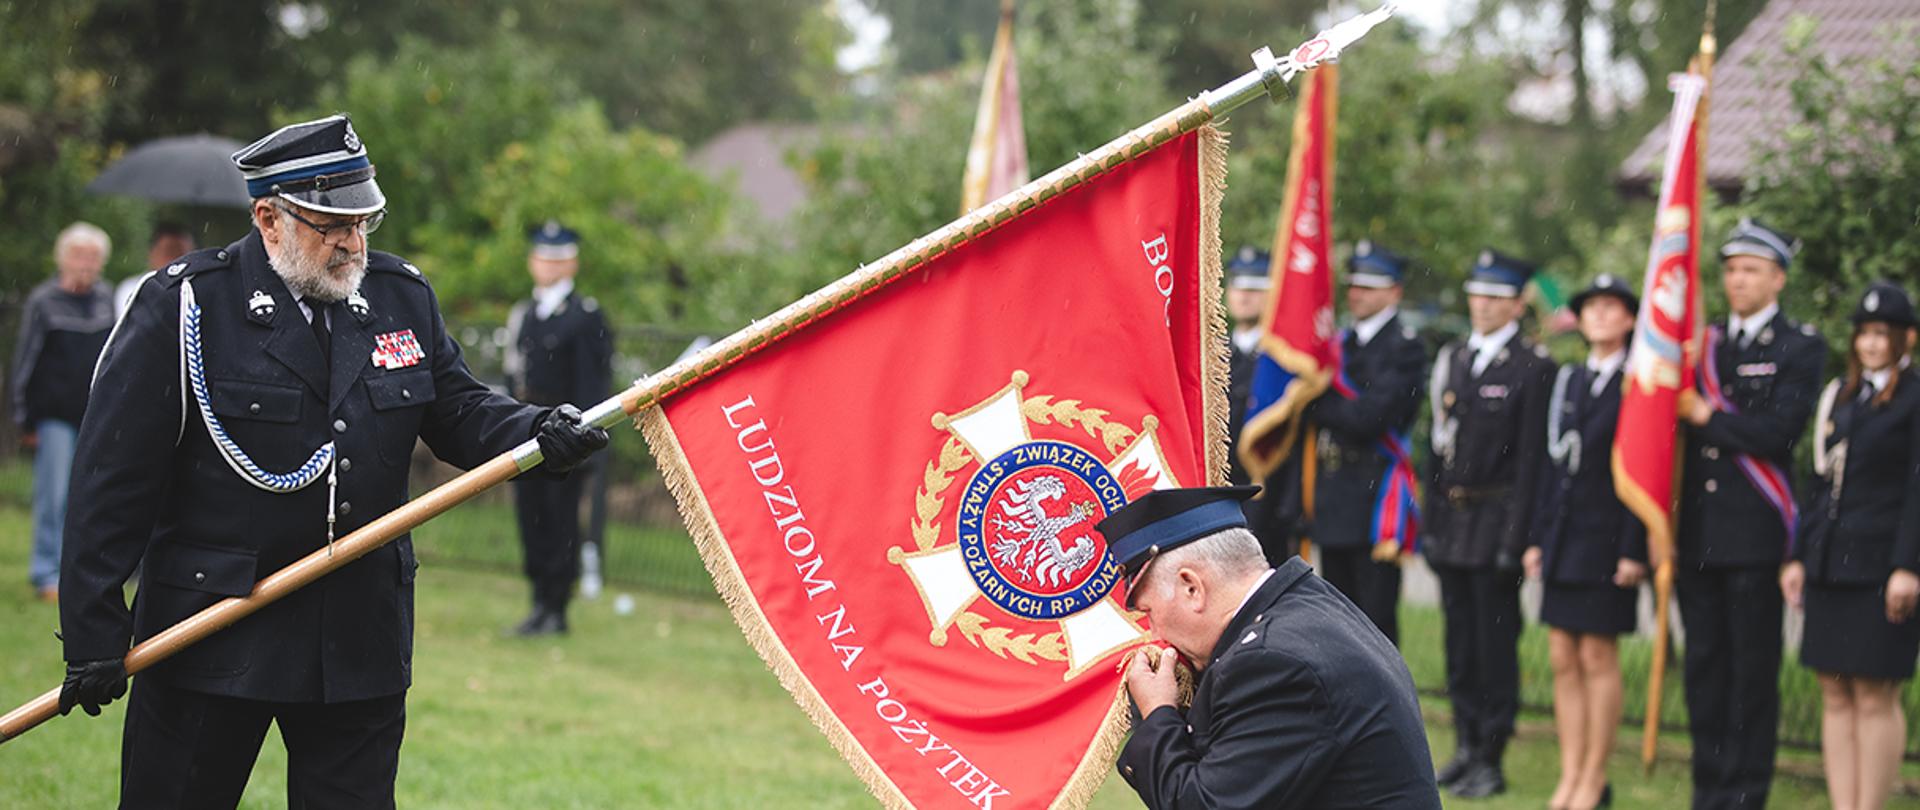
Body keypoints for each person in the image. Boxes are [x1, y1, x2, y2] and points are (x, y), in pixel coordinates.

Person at [54, 114, 609, 808]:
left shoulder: (399, 296)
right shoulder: (189, 305)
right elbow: (114, 476)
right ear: (268, 216)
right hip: (215, 625)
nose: (352, 242)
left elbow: (459, 409)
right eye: (331, 224)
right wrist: (94, 628)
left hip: (357, 632)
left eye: (363, 222)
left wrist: (538, 430)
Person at [1108, 485, 1440, 809]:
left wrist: (1157, 715)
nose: (1154, 632)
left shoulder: (1272, 663)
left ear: (1192, 587)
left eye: (1149, 611)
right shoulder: (1307, 604)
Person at [1676, 218, 1823, 810]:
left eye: (1752, 270)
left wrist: (1708, 417)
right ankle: (1707, 785)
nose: (1738, 280)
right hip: (1699, 536)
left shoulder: (1799, 346)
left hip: (1755, 535)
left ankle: (1744, 791)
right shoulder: (1704, 345)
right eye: (1732, 269)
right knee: (1705, 669)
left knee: (1751, 673)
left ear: (1778, 278)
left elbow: (1777, 434)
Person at [1422, 249, 1556, 799]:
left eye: (1496, 297)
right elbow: (1434, 452)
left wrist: (1516, 538)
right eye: (1478, 294)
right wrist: (1429, 524)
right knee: (1459, 647)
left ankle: (1492, 754)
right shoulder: (1453, 358)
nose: (1483, 305)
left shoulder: (1533, 367)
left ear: (1518, 304)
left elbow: (1531, 463)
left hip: (1497, 520)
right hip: (1453, 524)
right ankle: (1466, 745)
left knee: (1494, 646)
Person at [1781, 281, 1920, 810]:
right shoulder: (1839, 395)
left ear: (1904, 339)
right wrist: (1797, 555)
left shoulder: (1914, 397)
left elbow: (1916, 487)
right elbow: (1817, 484)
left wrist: (1908, 565)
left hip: (1882, 566)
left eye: (1882, 334)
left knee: (1875, 692)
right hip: (1829, 563)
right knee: (1835, 692)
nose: (1871, 345)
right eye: (1864, 334)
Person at [1524, 273, 1647, 810]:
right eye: (1590, 306)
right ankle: (1571, 774)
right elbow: (1550, 468)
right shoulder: (1571, 380)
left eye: (1610, 306)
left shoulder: (1638, 383)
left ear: (1628, 318)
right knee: (1562, 656)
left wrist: (1635, 549)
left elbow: (1643, 474)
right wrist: (1536, 538)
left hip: (1609, 539)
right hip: (1564, 537)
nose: (1598, 315)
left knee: (1598, 655)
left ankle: (1595, 778)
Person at [1299, 240, 1426, 643]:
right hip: (1333, 494)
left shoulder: (1405, 347)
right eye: (1354, 284)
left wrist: (1319, 401)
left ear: (1395, 291)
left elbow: (1368, 419)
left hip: (1376, 498)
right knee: (1336, 618)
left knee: (1374, 623)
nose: (1357, 294)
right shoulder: (1337, 343)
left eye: (1370, 286)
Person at [503, 221, 613, 636]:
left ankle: (556, 606)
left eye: (555, 259)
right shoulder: (528, 313)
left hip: (565, 439)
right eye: (541, 258)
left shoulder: (584, 317)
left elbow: (591, 383)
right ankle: (538, 601)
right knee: (532, 518)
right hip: (529, 433)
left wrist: (584, 440)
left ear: (571, 263)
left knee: (561, 520)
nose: (546, 266)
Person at [11, 221, 117, 603]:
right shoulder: (44, 300)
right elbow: (27, 359)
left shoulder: (107, 300)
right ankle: (45, 573)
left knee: (90, 496)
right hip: (53, 415)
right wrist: (23, 415)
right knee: (53, 496)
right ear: (63, 258)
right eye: (78, 255)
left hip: (95, 416)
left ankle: (82, 572)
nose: (85, 263)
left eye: (92, 256)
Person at [118, 222, 197, 316]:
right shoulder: (132, 288)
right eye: (169, 251)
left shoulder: (199, 289)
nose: (176, 260)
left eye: (183, 253)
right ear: (152, 253)